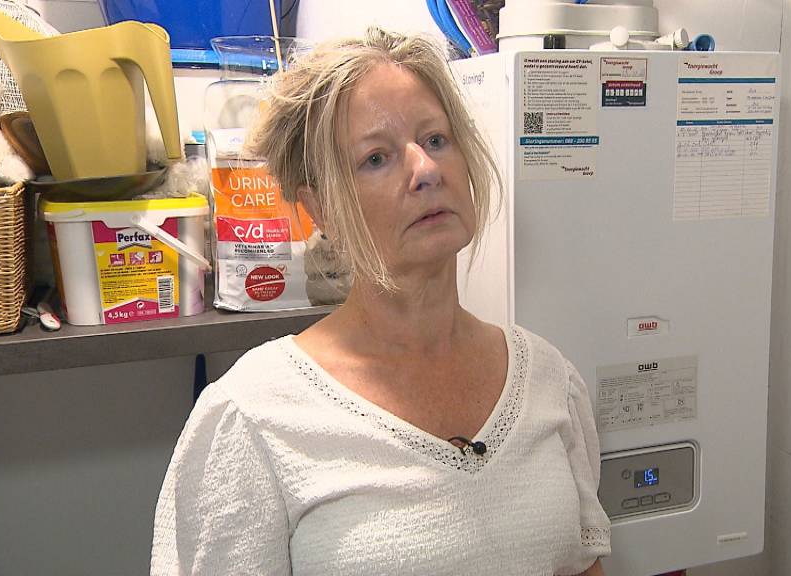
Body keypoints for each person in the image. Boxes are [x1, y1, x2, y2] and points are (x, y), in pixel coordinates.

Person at [150, 27, 610, 576]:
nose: (426, 170)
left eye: (436, 139)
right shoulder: (252, 417)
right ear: (320, 208)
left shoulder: (548, 381)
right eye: (376, 158)